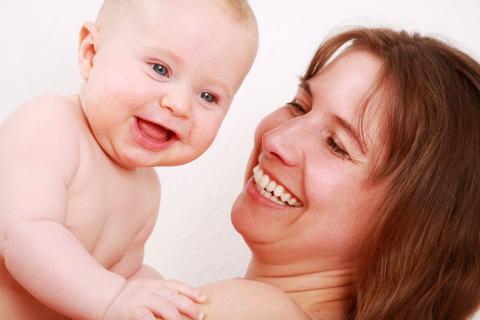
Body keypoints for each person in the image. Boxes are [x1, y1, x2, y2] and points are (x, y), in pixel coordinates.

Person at [187, 27, 480, 320]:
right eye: (299, 106)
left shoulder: (240, 310)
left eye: (336, 145)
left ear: (413, 228)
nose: (276, 140)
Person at [0, 0, 258, 319]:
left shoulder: (146, 189)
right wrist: (116, 298)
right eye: (160, 69)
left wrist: (160, 296)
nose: (178, 104)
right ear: (91, 54)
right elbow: (23, 236)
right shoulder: (47, 126)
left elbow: (125, 273)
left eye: (208, 96)